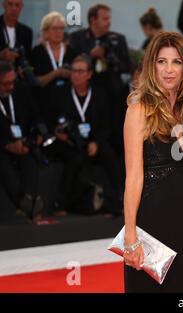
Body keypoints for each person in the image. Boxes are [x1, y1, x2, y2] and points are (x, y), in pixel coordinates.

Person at [122, 32, 183, 292]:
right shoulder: (139, 109)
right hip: (153, 221)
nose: (168, 70)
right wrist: (131, 237)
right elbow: (133, 176)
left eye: (176, 62)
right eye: (161, 61)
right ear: (151, 65)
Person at [51, 55, 121, 215]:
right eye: (74, 71)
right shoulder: (60, 93)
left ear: (89, 74)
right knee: (74, 157)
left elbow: (106, 125)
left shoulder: (100, 94)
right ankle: (61, 203)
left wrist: (96, 142)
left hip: (94, 139)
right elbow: (50, 119)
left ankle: (119, 199)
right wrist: (57, 132)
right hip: (69, 141)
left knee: (110, 155)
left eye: (80, 71)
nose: (76, 75)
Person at [69, 4, 131, 158]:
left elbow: (126, 67)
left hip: (113, 95)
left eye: (109, 18)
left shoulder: (117, 39)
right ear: (92, 20)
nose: (108, 22)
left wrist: (106, 57)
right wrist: (91, 56)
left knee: (116, 134)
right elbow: (73, 63)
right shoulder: (77, 38)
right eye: (104, 18)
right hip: (88, 96)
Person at [0, 60, 40, 221]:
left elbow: (35, 115)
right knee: (5, 166)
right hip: (2, 146)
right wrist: (7, 145)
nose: (10, 86)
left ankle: (30, 204)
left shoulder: (20, 90)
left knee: (31, 162)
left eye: (12, 82)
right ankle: (21, 206)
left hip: (21, 141)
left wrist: (35, 135)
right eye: (5, 83)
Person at [31, 11, 76, 133]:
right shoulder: (36, 53)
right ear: (45, 31)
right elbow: (35, 81)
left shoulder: (72, 52)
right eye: (54, 28)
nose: (58, 32)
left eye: (61, 29)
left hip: (68, 105)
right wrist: (56, 73)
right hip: (44, 103)